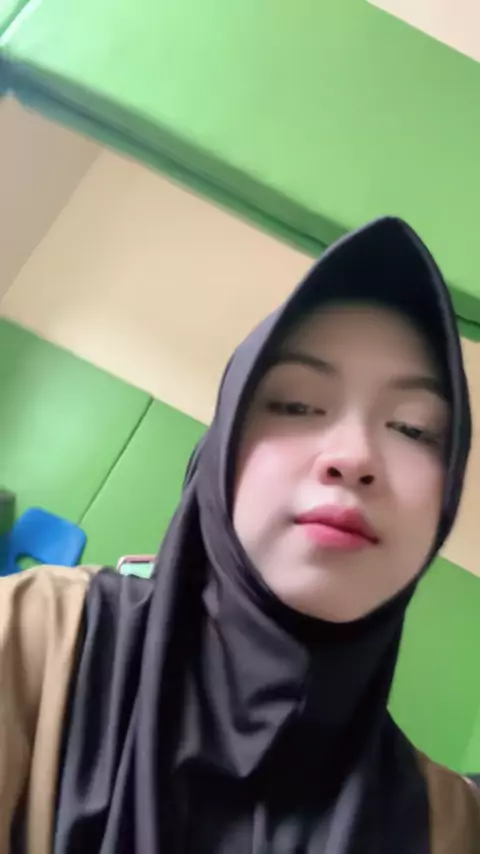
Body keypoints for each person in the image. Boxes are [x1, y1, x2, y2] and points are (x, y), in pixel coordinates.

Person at [0, 216, 478, 854]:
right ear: (220, 454)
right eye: (296, 404)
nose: (355, 456)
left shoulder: (446, 827)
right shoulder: (32, 637)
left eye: (414, 429)